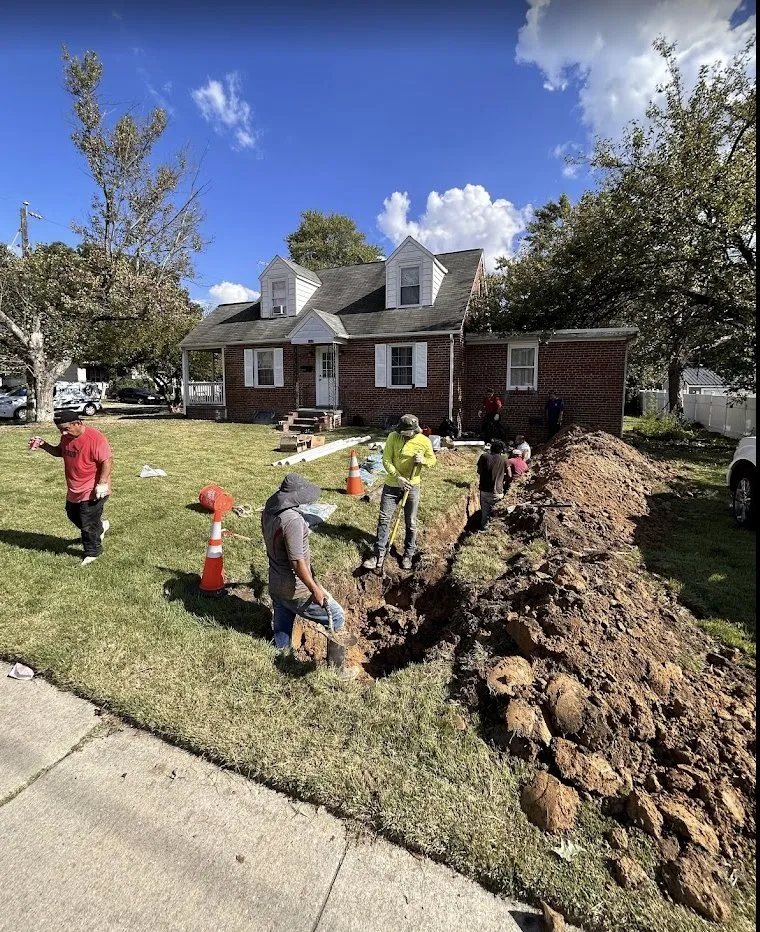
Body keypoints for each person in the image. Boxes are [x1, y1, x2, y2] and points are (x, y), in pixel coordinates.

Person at [261, 473, 352, 669]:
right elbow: (297, 562)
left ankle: (283, 657)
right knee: (336, 617)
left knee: (283, 623)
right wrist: (314, 588)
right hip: (296, 587)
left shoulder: (269, 511)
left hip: (275, 582)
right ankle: (337, 670)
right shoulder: (292, 521)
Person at [28, 411, 112, 566]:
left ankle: (93, 552)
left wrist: (102, 483)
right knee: (72, 514)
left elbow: (106, 461)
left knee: (87, 521)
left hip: (93, 488)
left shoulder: (95, 438)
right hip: (74, 487)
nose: (63, 432)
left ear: (78, 423)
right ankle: (99, 527)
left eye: (66, 428)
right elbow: (61, 452)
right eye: (60, 430)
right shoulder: (66, 437)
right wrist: (44, 445)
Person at [363, 414, 437, 571]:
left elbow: (432, 460)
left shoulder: (423, 441)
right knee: (384, 518)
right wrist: (398, 477)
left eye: (407, 432)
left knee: (410, 522)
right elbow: (386, 460)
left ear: (414, 430)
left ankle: (408, 555)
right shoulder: (393, 437)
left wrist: (423, 461)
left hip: (412, 486)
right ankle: (378, 553)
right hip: (392, 485)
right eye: (402, 431)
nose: (404, 435)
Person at [477, 440, 511, 530]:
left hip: (484, 490)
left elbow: (479, 471)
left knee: (485, 512)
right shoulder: (504, 458)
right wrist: (503, 481)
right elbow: (509, 475)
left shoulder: (483, 456)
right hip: (498, 491)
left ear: (491, 448)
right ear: (501, 450)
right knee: (496, 513)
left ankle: (483, 528)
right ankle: (493, 529)